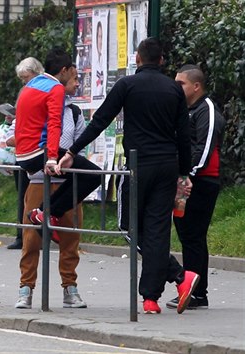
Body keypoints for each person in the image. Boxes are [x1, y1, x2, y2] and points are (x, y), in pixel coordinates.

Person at [58, 38, 199, 315]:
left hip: (138, 165)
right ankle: (151, 297)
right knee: (157, 230)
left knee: (128, 225)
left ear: (137, 58)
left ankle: (179, 276)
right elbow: (184, 135)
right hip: (167, 166)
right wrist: (183, 172)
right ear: (161, 61)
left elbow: (101, 120)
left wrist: (73, 150)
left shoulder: (127, 85)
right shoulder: (173, 89)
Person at [13, 48, 101, 309]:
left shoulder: (73, 113)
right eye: (74, 78)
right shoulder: (42, 98)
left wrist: (68, 158)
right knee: (31, 240)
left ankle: (69, 288)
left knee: (70, 239)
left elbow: (78, 146)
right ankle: (26, 288)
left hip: (67, 185)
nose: (75, 84)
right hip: (41, 180)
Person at [165, 65, 226, 310]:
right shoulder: (186, 110)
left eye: (181, 84)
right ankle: (193, 290)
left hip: (202, 181)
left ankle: (198, 293)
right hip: (185, 180)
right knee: (187, 235)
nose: (177, 87)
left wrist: (188, 173)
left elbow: (205, 146)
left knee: (194, 236)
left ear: (196, 86)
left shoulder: (207, 110)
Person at [6, 57, 44, 250]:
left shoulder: (44, 90)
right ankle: (22, 234)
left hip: (36, 148)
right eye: (22, 79)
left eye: (26, 77)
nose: (24, 82)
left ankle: (37, 234)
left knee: (36, 194)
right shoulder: (25, 92)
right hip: (21, 149)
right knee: (23, 194)